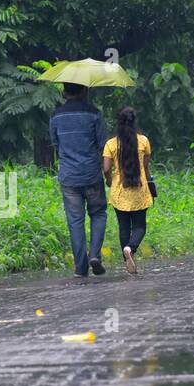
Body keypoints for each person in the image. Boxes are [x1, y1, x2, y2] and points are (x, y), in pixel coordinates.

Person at [49, 83, 108, 277]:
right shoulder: (94, 114)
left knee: (75, 221)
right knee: (98, 214)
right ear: (84, 91)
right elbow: (103, 146)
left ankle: (80, 268)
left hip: (68, 177)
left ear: (65, 92)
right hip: (92, 174)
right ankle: (95, 255)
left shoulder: (56, 116)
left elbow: (56, 144)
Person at [102, 106, 152, 275]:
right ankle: (130, 249)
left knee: (124, 227)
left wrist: (109, 181)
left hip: (119, 190)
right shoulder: (144, 141)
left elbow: (106, 168)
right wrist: (150, 183)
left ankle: (127, 258)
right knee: (139, 226)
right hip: (139, 189)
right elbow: (145, 167)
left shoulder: (111, 144)